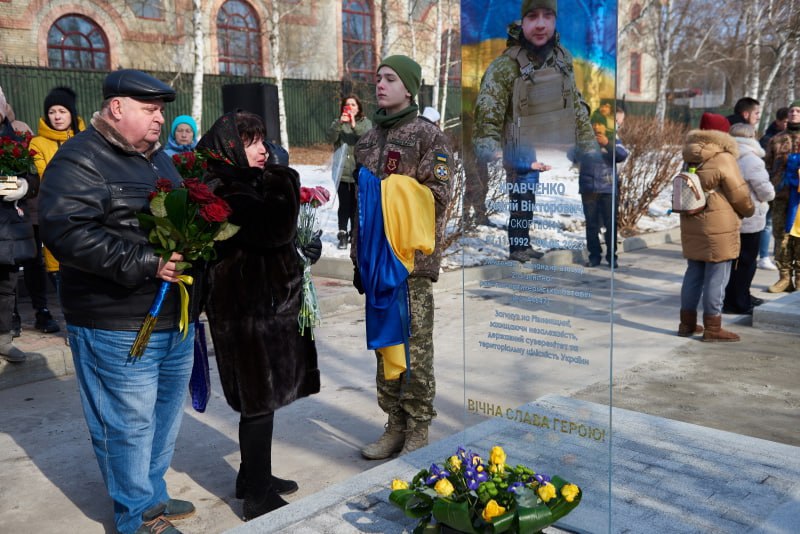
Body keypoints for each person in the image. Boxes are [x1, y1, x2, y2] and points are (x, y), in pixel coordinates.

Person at [39, 69, 196, 534]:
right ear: (117, 108)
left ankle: (153, 495)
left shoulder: (158, 160)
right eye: (149, 110)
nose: (158, 119)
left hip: (170, 315)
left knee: (164, 416)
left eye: (161, 111)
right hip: (114, 319)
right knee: (125, 424)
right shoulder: (79, 160)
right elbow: (67, 233)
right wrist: (148, 262)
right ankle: (136, 517)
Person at [196, 111, 322, 521]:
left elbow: (277, 241)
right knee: (257, 402)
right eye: (251, 142)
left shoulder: (241, 182)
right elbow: (271, 229)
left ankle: (252, 477)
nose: (263, 150)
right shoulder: (225, 187)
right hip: (244, 311)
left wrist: (302, 253)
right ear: (230, 145)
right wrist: (283, 177)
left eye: (263, 141)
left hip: (259, 306)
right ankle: (258, 496)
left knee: (261, 398)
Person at [352, 54, 452, 460]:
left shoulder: (429, 137)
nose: (380, 85)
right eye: (378, 78)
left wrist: (392, 192)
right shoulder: (367, 139)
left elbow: (439, 196)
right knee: (385, 344)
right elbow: (359, 206)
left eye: (390, 78)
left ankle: (418, 427)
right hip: (375, 263)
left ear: (409, 87)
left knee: (414, 345)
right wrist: (360, 255)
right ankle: (394, 423)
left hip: (409, 262)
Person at [473, 0, 597, 262]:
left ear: (554, 21)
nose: (541, 23)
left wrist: (589, 148)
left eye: (548, 16)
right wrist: (489, 149)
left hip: (550, 142)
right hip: (519, 145)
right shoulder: (505, 66)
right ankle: (518, 247)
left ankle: (523, 244)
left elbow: (576, 106)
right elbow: (488, 113)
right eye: (533, 16)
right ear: (523, 21)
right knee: (521, 195)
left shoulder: (562, 60)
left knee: (527, 197)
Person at [677, 112, 754, 342]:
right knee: (717, 276)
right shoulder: (723, 157)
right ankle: (713, 327)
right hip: (718, 223)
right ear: (722, 133)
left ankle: (686, 324)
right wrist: (749, 210)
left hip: (692, 220)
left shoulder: (690, 155)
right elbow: (738, 192)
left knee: (694, 272)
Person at [29, 85, 86, 315]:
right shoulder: (37, 143)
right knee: (59, 273)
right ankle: (72, 325)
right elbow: (45, 176)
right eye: (52, 111)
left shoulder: (86, 139)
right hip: (56, 214)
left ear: (71, 113)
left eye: (62, 111)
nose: (57, 116)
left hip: (85, 215)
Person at [0, 86, 37, 362]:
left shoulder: (15, 141)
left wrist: (21, 185)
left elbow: (34, 179)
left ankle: (3, 339)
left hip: (9, 228)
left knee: (6, 284)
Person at [722, 123, 774, 314]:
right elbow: (765, 189)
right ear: (752, 137)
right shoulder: (752, 159)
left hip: (727, 215)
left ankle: (735, 297)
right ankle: (740, 301)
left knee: (730, 262)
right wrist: (769, 196)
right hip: (749, 216)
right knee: (746, 262)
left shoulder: (724, 156)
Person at [579, 111, 629, 268]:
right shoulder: (584, 138)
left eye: (600, 123)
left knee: (610, 224)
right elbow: (572, 155)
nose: (597, 127)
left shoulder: (612, 138)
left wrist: (607, 143)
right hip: (588, 186)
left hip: (607, 186)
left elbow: (622, 155)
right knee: (591, 224)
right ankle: (594, 256)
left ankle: (611, 256)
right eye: (594, 123)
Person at [764, 101, 800, 293]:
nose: (793, 113)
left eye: (798, 111)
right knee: (781, 236)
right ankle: (784, 277)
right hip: (781, 196)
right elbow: (767, 165)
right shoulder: (776, 139)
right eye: (792, 110)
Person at [327, 95, 372, 249]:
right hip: (341, 171)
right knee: (344, 204)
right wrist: (340, 123)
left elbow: (366, 139)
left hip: (358, 172)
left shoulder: (365, 123)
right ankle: (342, 234)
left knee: (356, 205)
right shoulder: (338, 122)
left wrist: (353, 125)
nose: (350, 107)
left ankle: (354, 234)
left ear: (358, 107)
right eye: (347, 105)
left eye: (353, 105)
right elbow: (331, 137)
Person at [757, 107, 789, 271]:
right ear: (778, 121)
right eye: (785, 121)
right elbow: (764, 164)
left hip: (788, 188)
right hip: (773, 187)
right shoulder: (769, 139)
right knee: (768, 222)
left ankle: (780, 256)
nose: (788, 123)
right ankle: (763, 256)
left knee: (782, 224)